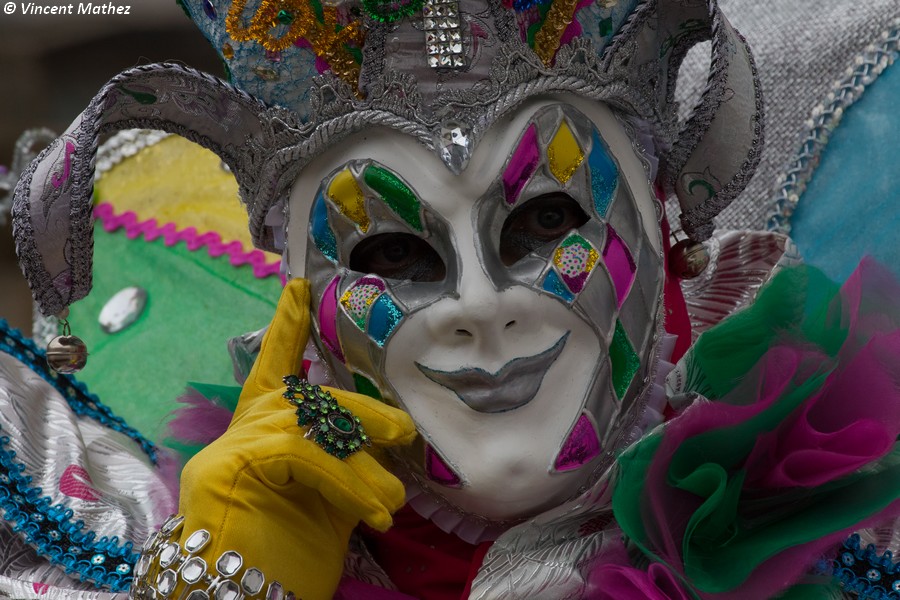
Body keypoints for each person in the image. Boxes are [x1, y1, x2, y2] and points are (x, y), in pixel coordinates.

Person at [3, 0, 900, 598]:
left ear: (662, 226)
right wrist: (224, 580)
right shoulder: (144, 533)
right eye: (392, 251)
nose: (479, 303)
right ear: (300, 298)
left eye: (549, 219)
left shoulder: (860, 515)